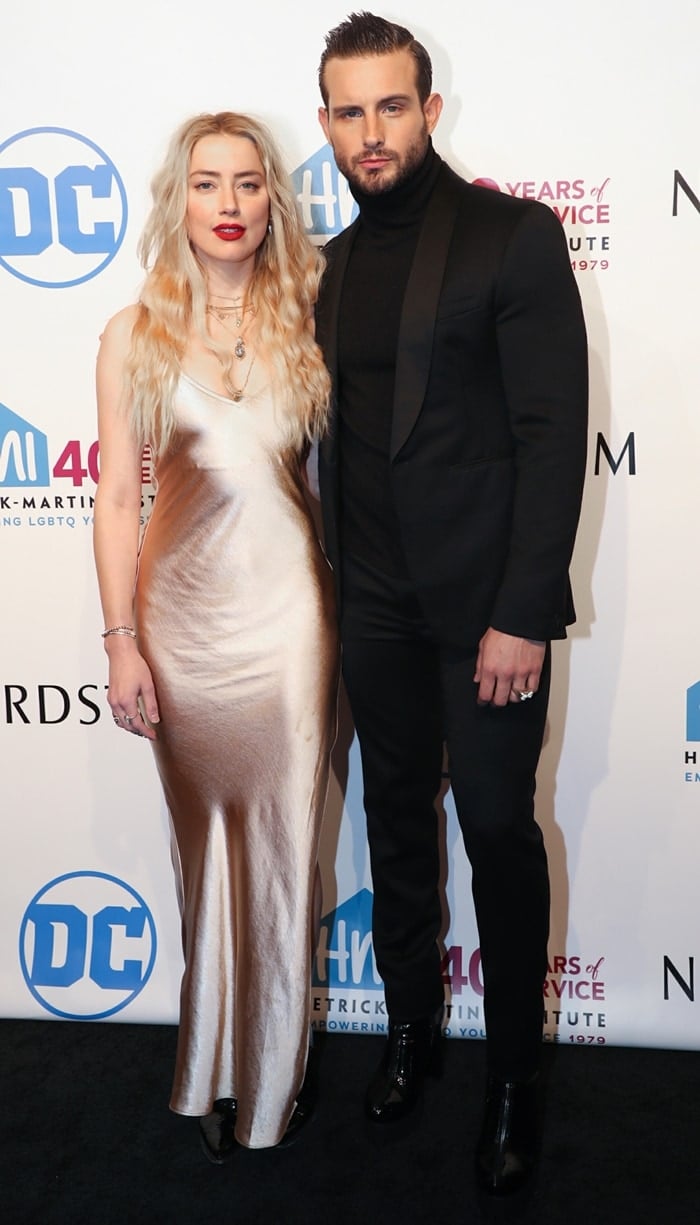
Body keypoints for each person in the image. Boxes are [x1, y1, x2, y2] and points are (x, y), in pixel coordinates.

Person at [315, 13, 588, 1196]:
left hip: (485, 614)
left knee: (495, 833)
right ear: (326, 123)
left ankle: (515, 1076)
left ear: (428, 111)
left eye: (389, 107)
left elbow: (549, 432)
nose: (369, 133)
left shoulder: (511, 237)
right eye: (346, 111)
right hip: (367, 602)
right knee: (394, 835)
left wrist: (523, 611)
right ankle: (413, 1031)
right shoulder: (328, 265)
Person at [93, 112, 338, 1164]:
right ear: (178, 200)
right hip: (180, 626)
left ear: (270, 201)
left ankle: (270, 1086)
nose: (229, 204)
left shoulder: (310, 315)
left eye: (247, 184)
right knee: (207, 857)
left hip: (290, 624)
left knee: (286, 854)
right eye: (207, 183)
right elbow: (114, 497)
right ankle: (210, 1067)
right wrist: (119, 641)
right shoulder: (134, 330)